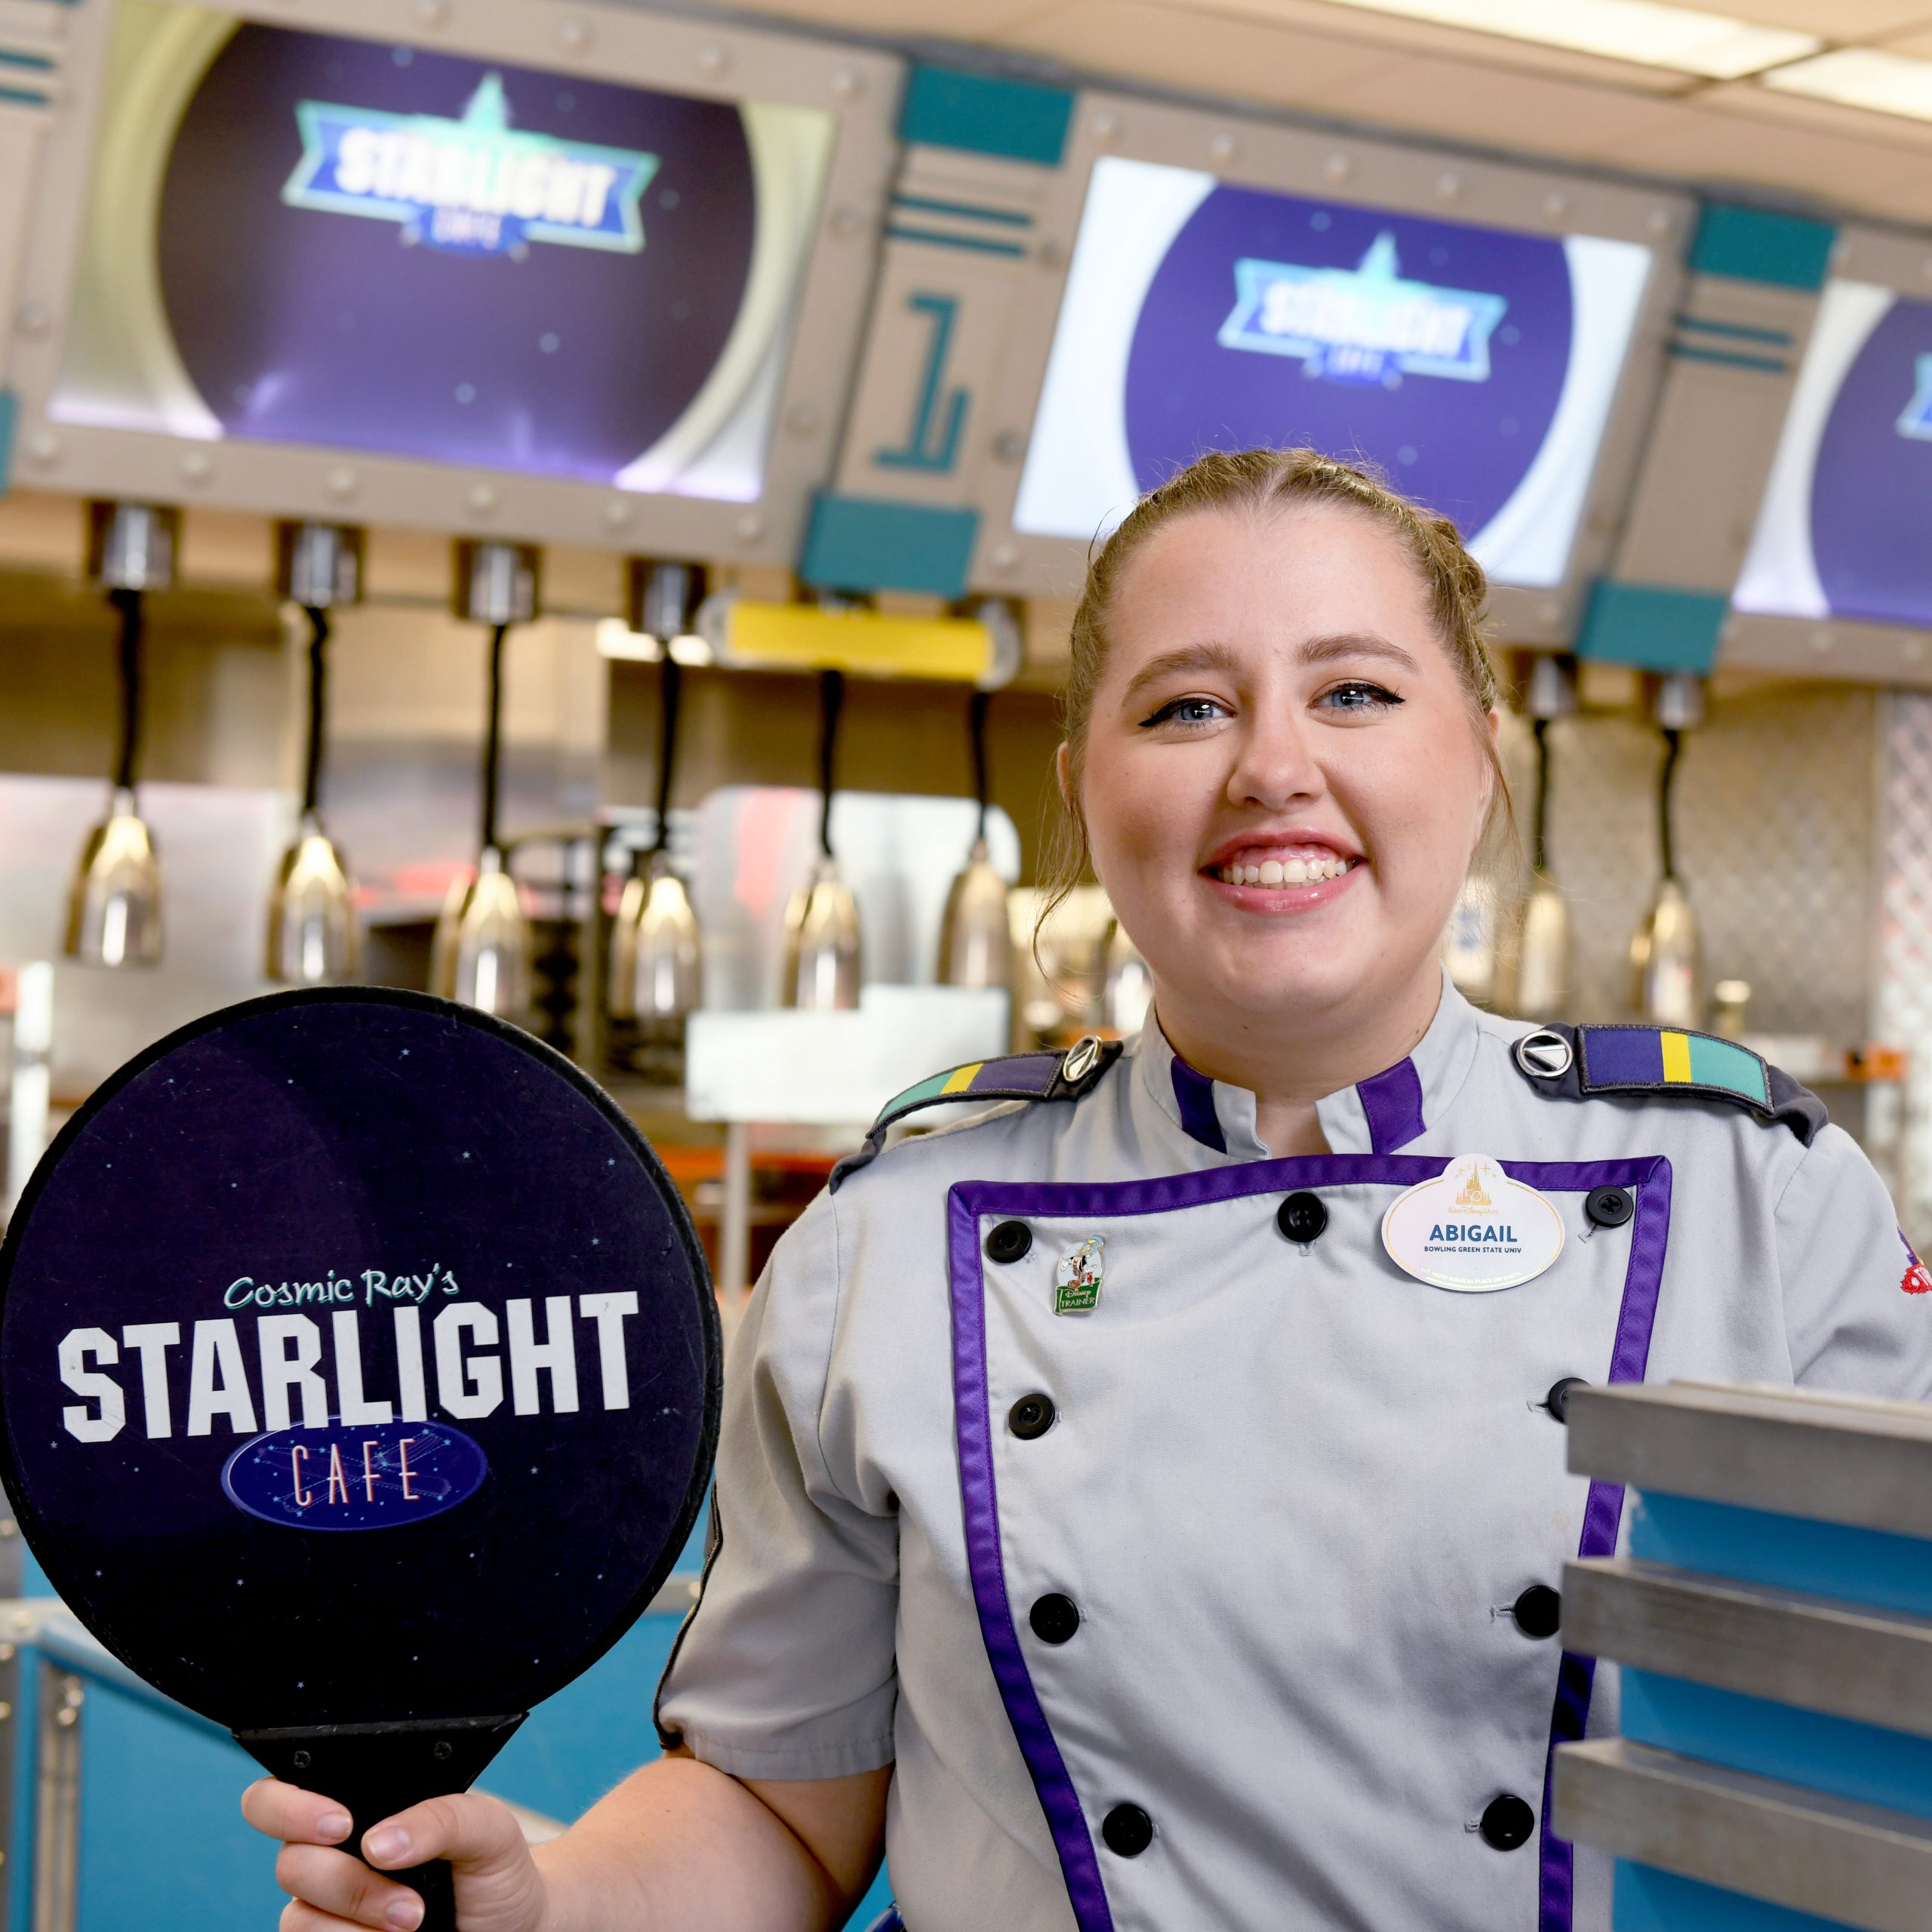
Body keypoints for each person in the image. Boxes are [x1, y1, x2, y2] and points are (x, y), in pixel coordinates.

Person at [247, 448, 1932, 1932]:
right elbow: (778, 1806)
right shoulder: (885, 1244)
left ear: (1477, 760)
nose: (1271, 764)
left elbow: (1883, 1769)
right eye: (1185, 704)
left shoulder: (1750, 1199)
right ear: (1081, 789)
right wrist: (551, 1905)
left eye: (1352, 691)